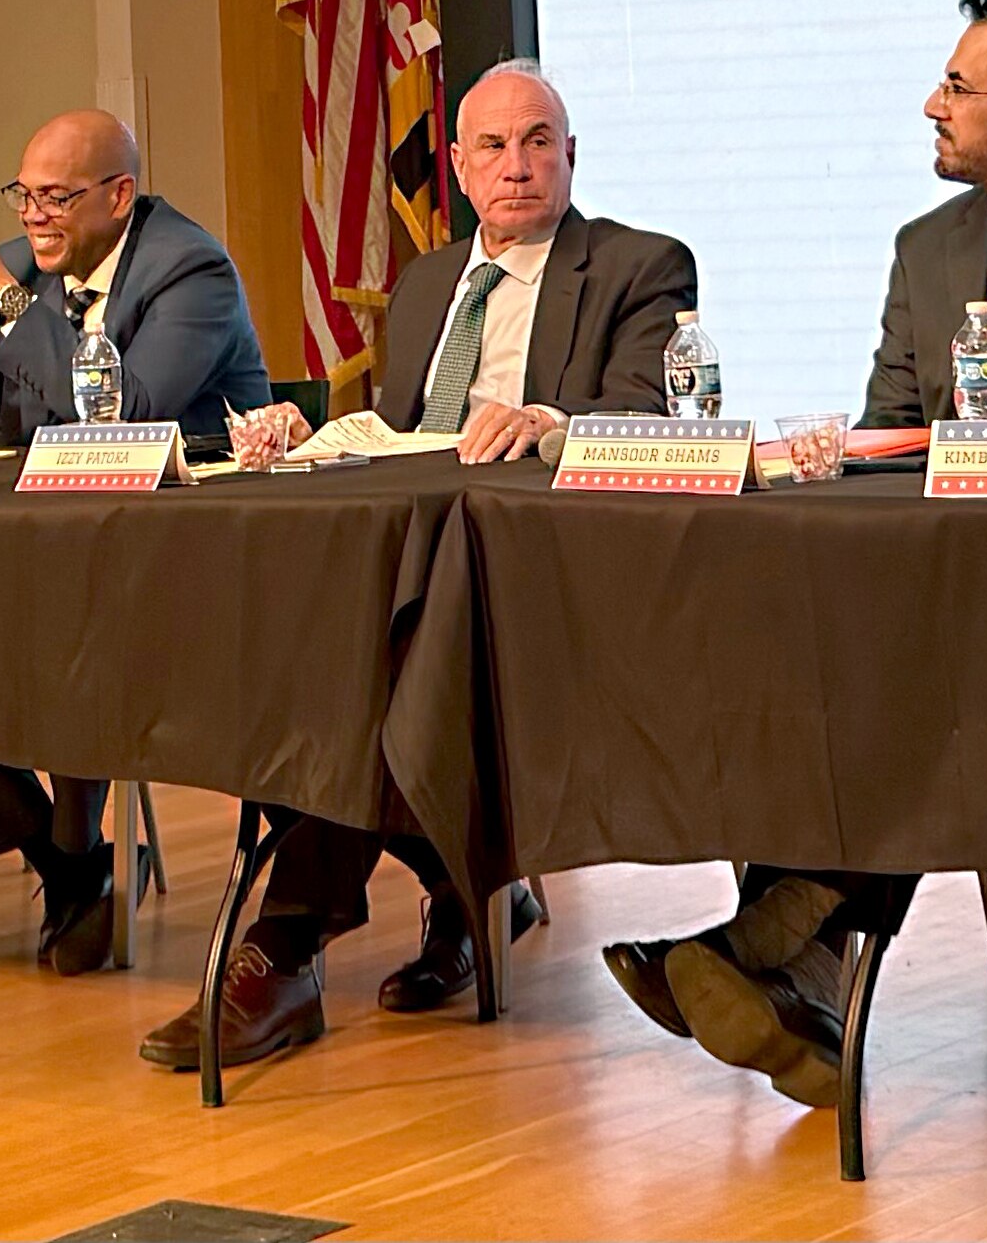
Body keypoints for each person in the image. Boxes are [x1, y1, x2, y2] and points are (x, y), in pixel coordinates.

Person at [602, 0, 987, 1109]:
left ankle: (779, 943)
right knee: (807, 654)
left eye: (956, 87)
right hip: (933, 599)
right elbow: (891, 428)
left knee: (905, 684)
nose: (932, 105)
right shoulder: (927, 249)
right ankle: (792, 964)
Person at [144, 59, 699, 1073]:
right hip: (409, 566)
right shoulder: (429, 283)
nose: (517, 165)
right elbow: (400, 438)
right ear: (457, 165)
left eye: (538, 142)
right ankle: (458, 885)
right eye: (493, 145)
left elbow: (652, 416)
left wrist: (550, 421)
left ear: (572, 155)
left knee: (364, 664)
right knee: (309, 647)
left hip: (538, 583)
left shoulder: (639, 264)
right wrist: (313, 436)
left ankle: (285, 945)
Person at [0, 106, 273, 974]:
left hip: (179, 568)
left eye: (56, 198)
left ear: (119, 196)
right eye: (23, 196)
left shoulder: (189, 269)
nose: (33, 217)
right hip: (45, 555)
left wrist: (4, 300)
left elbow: (123, 409)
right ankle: (68, 862)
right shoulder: (19, 270)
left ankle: (73, 857)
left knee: (61, 629)